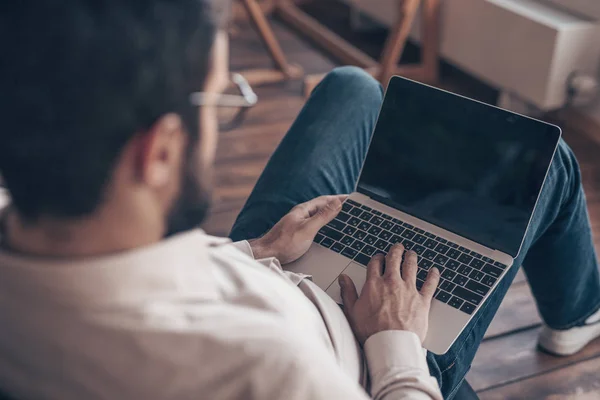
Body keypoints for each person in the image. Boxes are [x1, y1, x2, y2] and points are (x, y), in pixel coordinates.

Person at [0, 1, 599, 399]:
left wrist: (256, 250)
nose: (220, 124)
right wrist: (395, 341)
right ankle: (576, 316)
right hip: (372, 345)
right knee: (552, 166)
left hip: (264, 266)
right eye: (219, 103)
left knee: (351, 87)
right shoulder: (273, 370)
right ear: (157, 153)